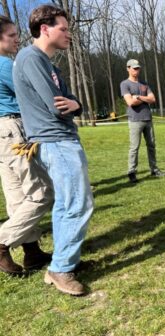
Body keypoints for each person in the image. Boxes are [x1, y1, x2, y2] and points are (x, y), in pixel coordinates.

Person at [13, 5, 93, 295]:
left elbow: (70, 100)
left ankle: (61, 263)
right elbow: (57, 105)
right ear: (44, 28)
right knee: (78, 204)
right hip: (55, 141)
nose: (68, 34)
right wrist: (71, 106)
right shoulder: (30, 58)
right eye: (63, 28)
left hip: (60, 139)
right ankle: (61, 269)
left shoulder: (50, 64)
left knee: (65, 204)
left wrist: (77, 105)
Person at [0, 15, 53, 275]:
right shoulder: (6, 66)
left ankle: (31, 252)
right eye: (11, 35)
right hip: (14, 130)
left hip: (1, 135)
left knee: (17, 195)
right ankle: (2, 241)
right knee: (42, 192)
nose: (17, 38)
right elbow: (31, 93)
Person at [120, 59, 165, 183]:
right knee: (134, 147)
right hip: (135, 120)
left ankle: (154, 169)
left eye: (138, 68)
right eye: (134, 68)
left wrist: (139, 97)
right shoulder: (125, 84)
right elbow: (130, 102)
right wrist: (146, 99)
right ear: (128, 68)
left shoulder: (144, 84)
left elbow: (153, 99)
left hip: (148, 119)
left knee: (151, 145)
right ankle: (131, 172)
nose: (136, 70)